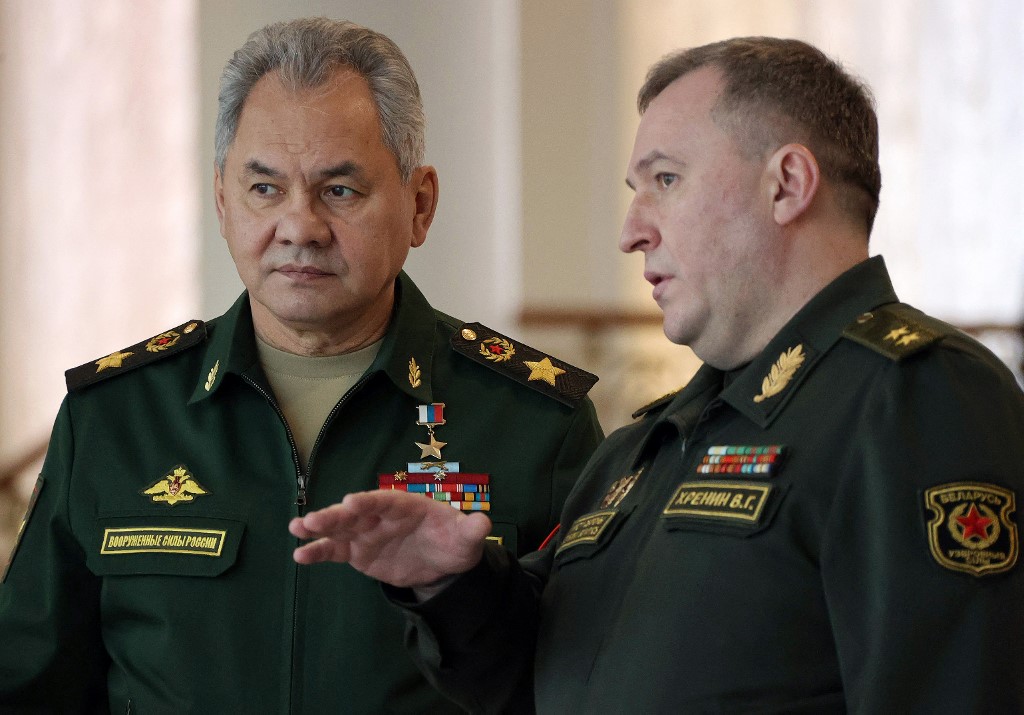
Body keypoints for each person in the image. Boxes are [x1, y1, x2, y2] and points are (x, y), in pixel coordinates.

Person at [289, 36, 1024, 712]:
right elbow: (537, 683)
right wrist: (453, 582)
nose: (631, 229)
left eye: (665, 179)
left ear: (787, 184)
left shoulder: (915, 397)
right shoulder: (646, 442)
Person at [0, 18, 603, 713]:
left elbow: (586, 685)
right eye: (265, 189)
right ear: (223, 200)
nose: (299, 226)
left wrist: (459, 589)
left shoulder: (536, 426)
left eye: (339, 191)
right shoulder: (116, 418)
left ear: (419, 204)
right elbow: (31, 685)